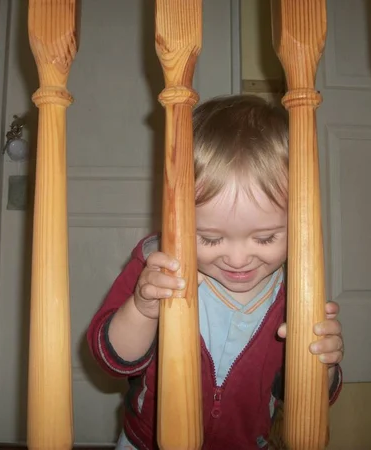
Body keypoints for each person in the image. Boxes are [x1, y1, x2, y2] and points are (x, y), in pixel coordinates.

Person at [87, 94, 344, 450]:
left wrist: (323, 361)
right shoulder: (157, 267)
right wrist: (143, 310)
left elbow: (301, 396)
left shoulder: (297, 295)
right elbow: (112, 360)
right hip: (149, 441)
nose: (238, 259)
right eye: (210, 238)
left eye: (266, 237)